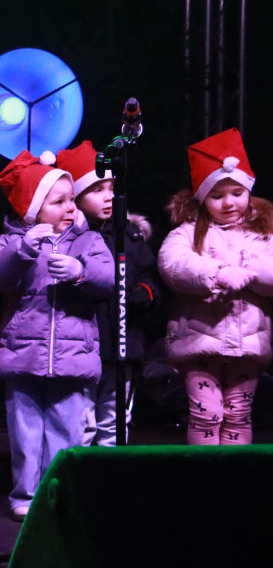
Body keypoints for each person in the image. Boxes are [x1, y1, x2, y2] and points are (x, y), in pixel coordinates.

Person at [0, 150, 113, 522]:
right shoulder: (13, 241)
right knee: (25, 434)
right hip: (24, 354)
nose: (70, 208)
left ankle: (60, 491)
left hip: (74, 355)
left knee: (67, 430)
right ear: (32, 209)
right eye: (58, 202)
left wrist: (79, 272)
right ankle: (25, 493)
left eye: (71, 199)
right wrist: (25, 252)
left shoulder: (87, 241)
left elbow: (106, 280)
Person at [157, 128, 273, 446]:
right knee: (207, 414)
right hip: (198, 342)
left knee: (238, 414)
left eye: (236, 193)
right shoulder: (188, 232)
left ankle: (234, 487)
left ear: (249, 190)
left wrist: (249, 272)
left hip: (249, 345)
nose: (228, 202)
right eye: (217, 195)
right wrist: (218, 272)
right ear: (202, 198)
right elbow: (173, 264)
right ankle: (205, 481)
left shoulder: (264, 232)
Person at [58, 141, 163, 446]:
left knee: (115, 420)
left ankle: (110, 481)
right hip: (85, 345)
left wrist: (146, 292)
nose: (107, 197)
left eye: (111, 188)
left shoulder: (129, 236)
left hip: (123, 343)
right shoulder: (71, 238)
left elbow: (149, 273)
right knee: (82, 420)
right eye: (97, 190)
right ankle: (82, 480)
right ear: (75, 198)